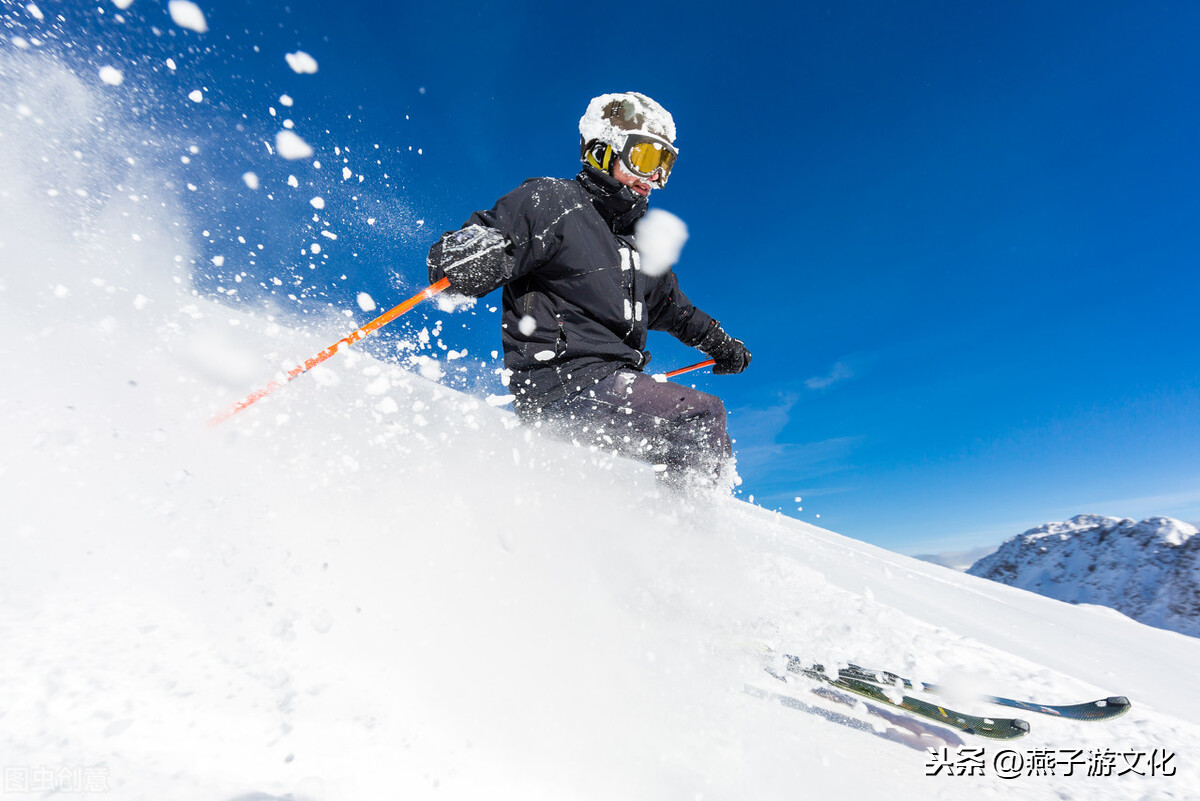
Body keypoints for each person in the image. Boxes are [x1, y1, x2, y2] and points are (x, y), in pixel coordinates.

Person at [427, 92, 750, 489]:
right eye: (645, 159)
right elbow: (484, 241)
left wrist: (721, 344)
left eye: (664, 166)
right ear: (602, 150)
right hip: (562, 381)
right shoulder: (552, 203)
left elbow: (675, 310)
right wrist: (468, 258)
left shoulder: (641, 248)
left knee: (689, 435)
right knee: (699, 419)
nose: (653, 178)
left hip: (609, 384)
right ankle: (695, 538)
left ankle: (661, 536)